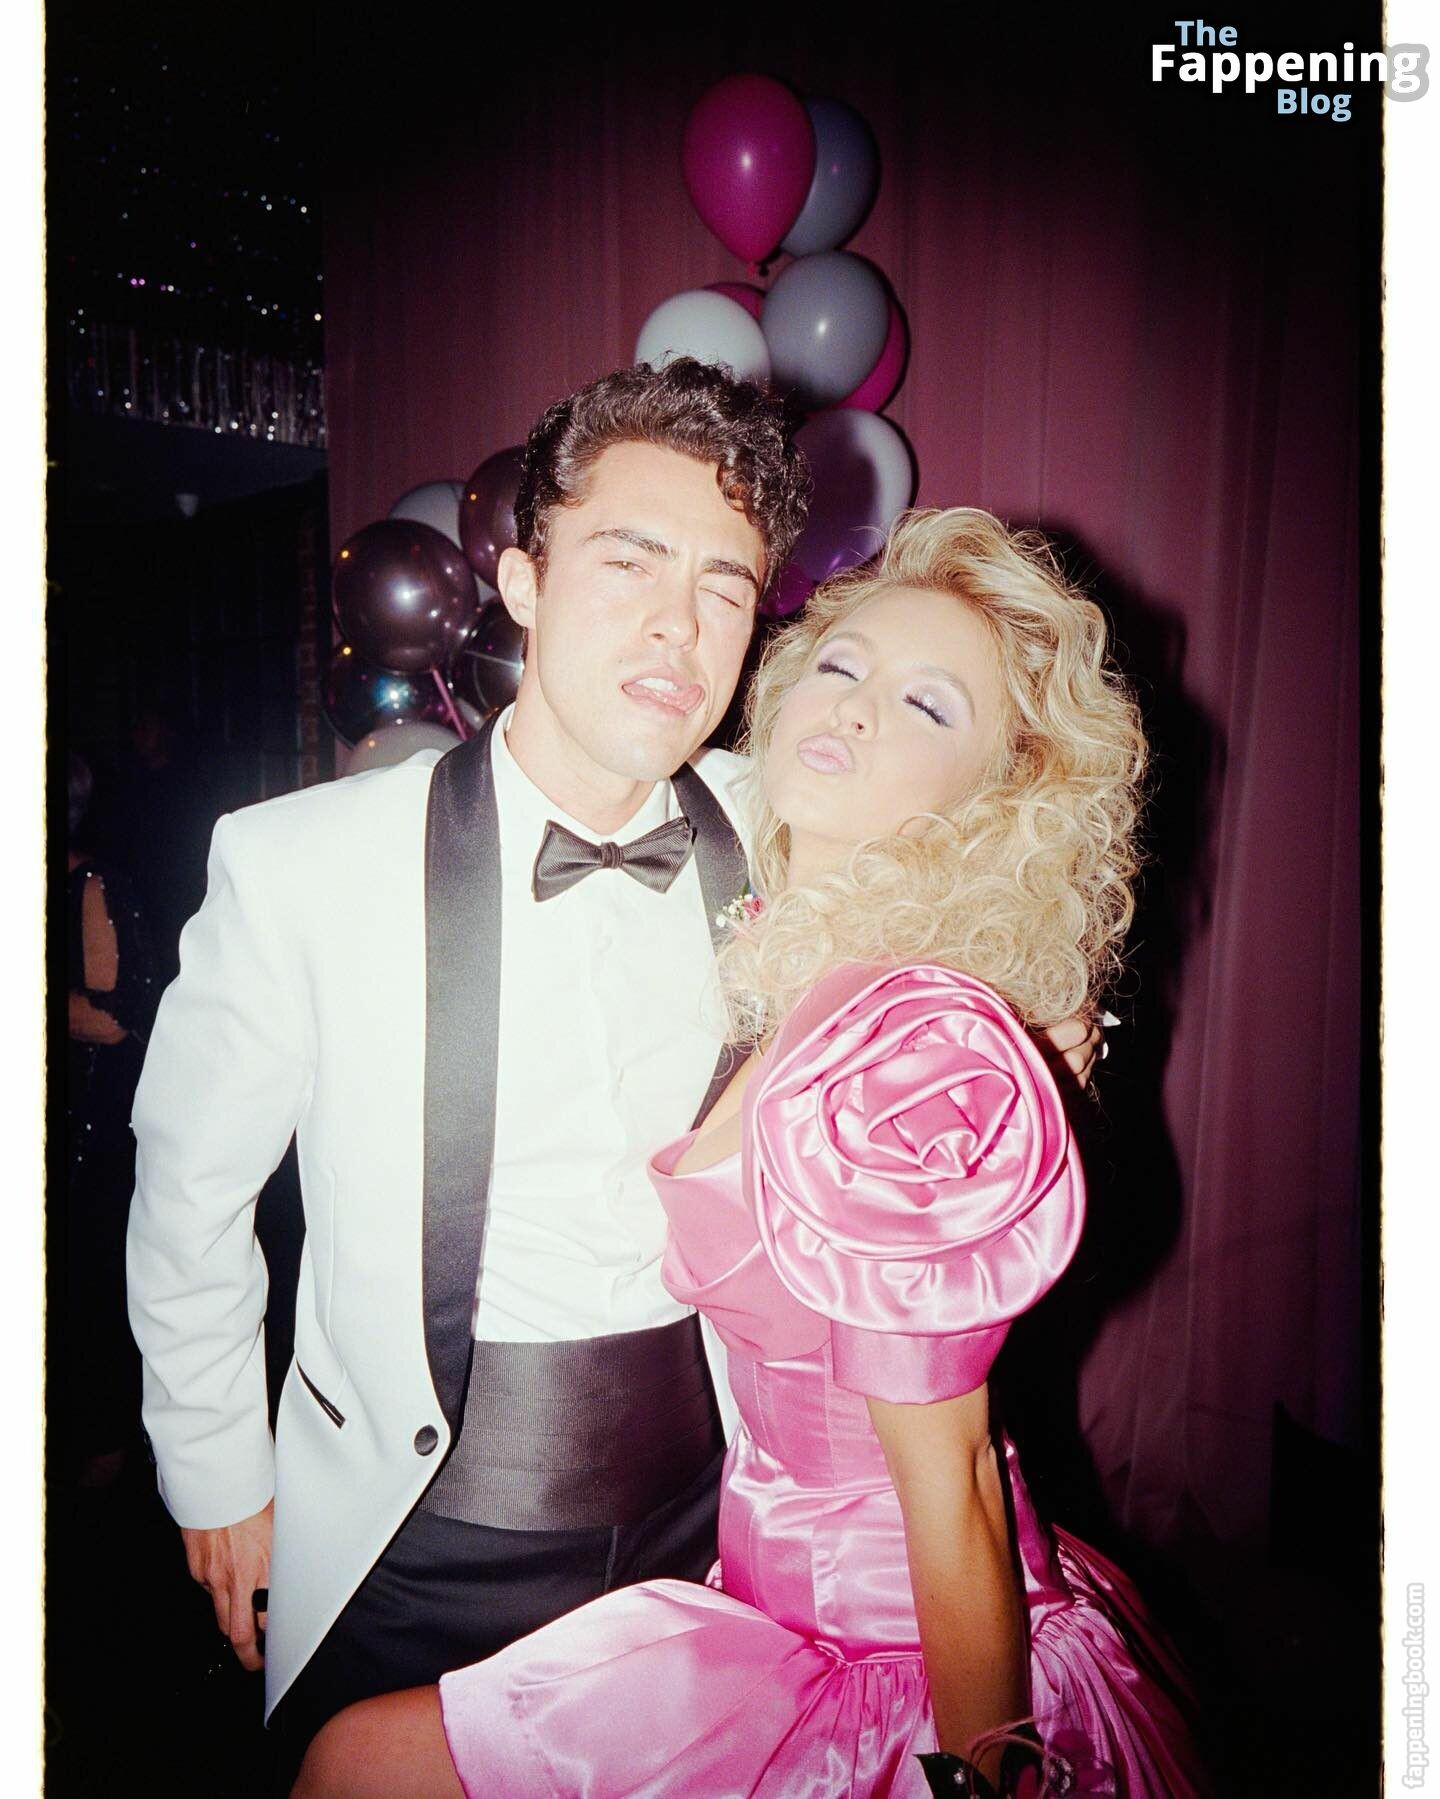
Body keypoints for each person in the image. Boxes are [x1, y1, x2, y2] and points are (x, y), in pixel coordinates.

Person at [126, 363, 1098, 1778]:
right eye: (629, 560)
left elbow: (973, 879)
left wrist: (1049, 1018)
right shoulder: (299, 863)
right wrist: (214, 1470)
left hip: (704, 1533)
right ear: (521, 579)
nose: (674, 624)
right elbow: (189, 1195)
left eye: (722, 586)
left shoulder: (792, 811)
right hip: (411, 1517)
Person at [294, 508, 1206, 1798]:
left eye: (926, 705)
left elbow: (953, 1484)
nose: (858, 707)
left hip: (897, 1657)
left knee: (351, 1765)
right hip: (767, 1595)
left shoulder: (908, 1048)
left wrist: (977, 1768)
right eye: (841, 663)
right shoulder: (810, 961)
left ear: (991, 796)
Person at [65, 751, 159, 1488]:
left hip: (91, 1130)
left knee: (93, 1286)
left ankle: (105, 1468)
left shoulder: (91, 884)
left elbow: (116, 1017)